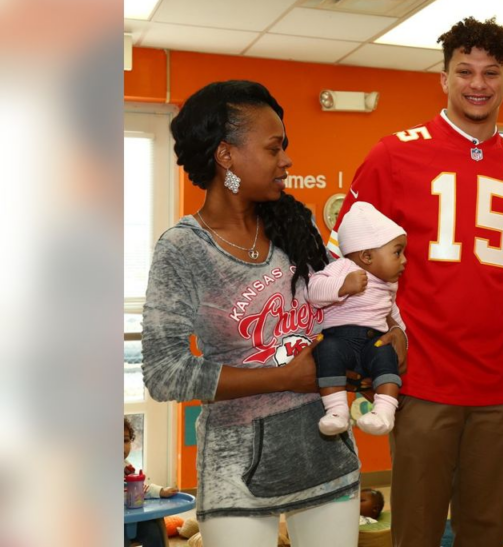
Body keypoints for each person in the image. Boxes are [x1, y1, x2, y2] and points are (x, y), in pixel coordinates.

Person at [328, 16, 503, 547]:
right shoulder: (393, 154)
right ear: (443, 78)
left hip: (502, 378)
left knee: (487, 530)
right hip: (421, 374)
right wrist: (366, 341)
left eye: (491, 72)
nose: (478, 84)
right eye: (464, 71)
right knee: (417, 531)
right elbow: (345, 263)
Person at [142, 80, 366, 547]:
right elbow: (164, 372)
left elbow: (340, 303)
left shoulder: (295, 223)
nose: (287, 160)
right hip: (236, 466)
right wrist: (284, 377)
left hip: (325, 448)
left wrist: (380, 340)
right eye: (273, 147)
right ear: (226, 155)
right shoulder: (184, 249)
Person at [308, 201, 407, 436]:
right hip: (340, 341)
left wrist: (402, 338)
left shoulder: (389, 285)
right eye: (397, 252)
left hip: (374, 342)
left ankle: (384, 412)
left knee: (386, 355)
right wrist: (342, 286)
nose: (404, 260)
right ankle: (336, 412)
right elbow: (312, 291)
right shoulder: (343, 267)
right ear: (366, 256)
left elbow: (394, 316)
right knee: (327, 350)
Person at [124, 417, 178, 547]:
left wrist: (160, 491)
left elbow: (139, 489)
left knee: (154, 529)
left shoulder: (127, 468)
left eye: (125, 440)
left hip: (132, 519)